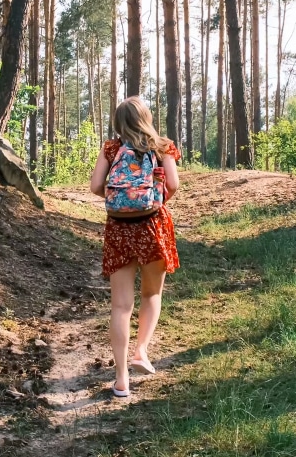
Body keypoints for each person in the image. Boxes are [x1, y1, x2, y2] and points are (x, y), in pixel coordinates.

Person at [89, 97, 181, 398]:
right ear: (146, 117)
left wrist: (119, 199)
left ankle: (121, 379)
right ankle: (141, 351)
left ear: (119, 121)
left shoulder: (111, 148)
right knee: (151, 293)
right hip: (153, 225)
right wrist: (152, 199)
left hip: (119, 229)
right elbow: (174, 185)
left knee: (120, 306)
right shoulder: (163, 146)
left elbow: (94, 186)